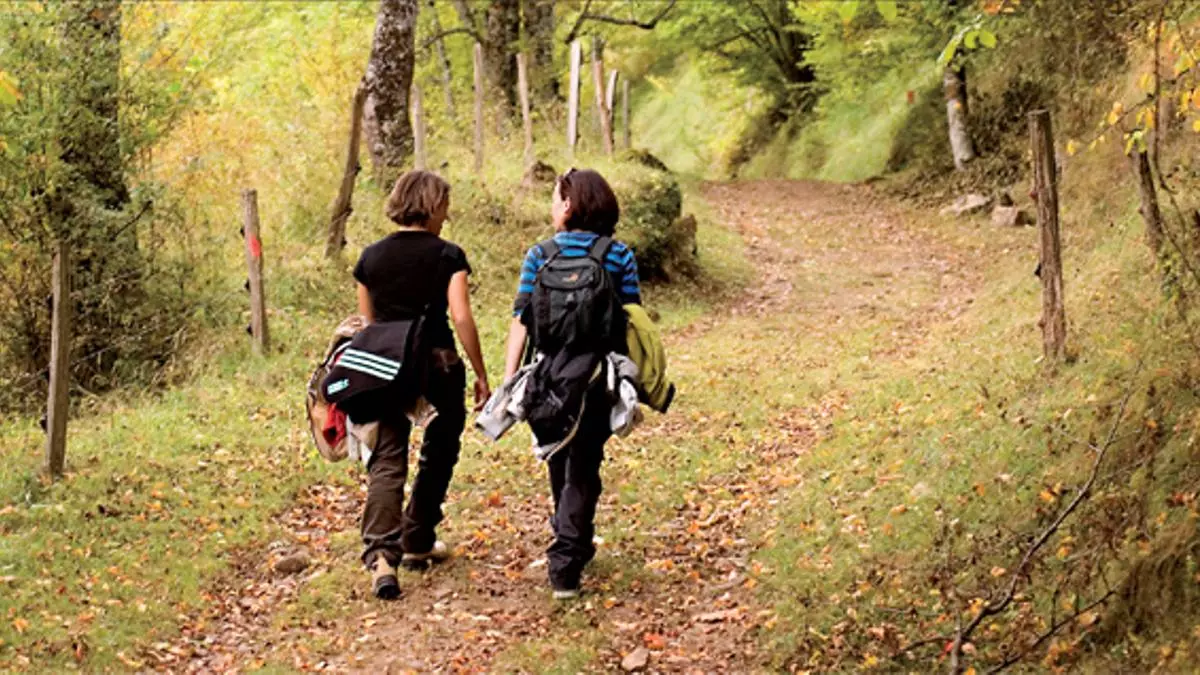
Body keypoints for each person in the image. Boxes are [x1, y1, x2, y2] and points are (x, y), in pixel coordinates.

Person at [503, 168, 641, 599]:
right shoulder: (618, 255)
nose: (551, 206)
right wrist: (638, 379)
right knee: (584, 462)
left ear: (568, 205)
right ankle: (567, 557)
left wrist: (509, 379)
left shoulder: (539, 255)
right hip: (597, 374)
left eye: (553, 198)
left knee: (559, 454)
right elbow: (633, 318)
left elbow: (521, 320)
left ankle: (571, 537)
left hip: (547, 374)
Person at [352, 170, 490, 600]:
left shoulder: (370, 259)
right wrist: (481, 372)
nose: (447, 215)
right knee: (440, 447)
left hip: (384, 366)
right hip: (437, 365)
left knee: (387, 456)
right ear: (431, 206)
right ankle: (417, 537)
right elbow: (461, 316)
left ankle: (381, 557)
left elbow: (368, 325)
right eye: (444, 206)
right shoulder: (448, 255)